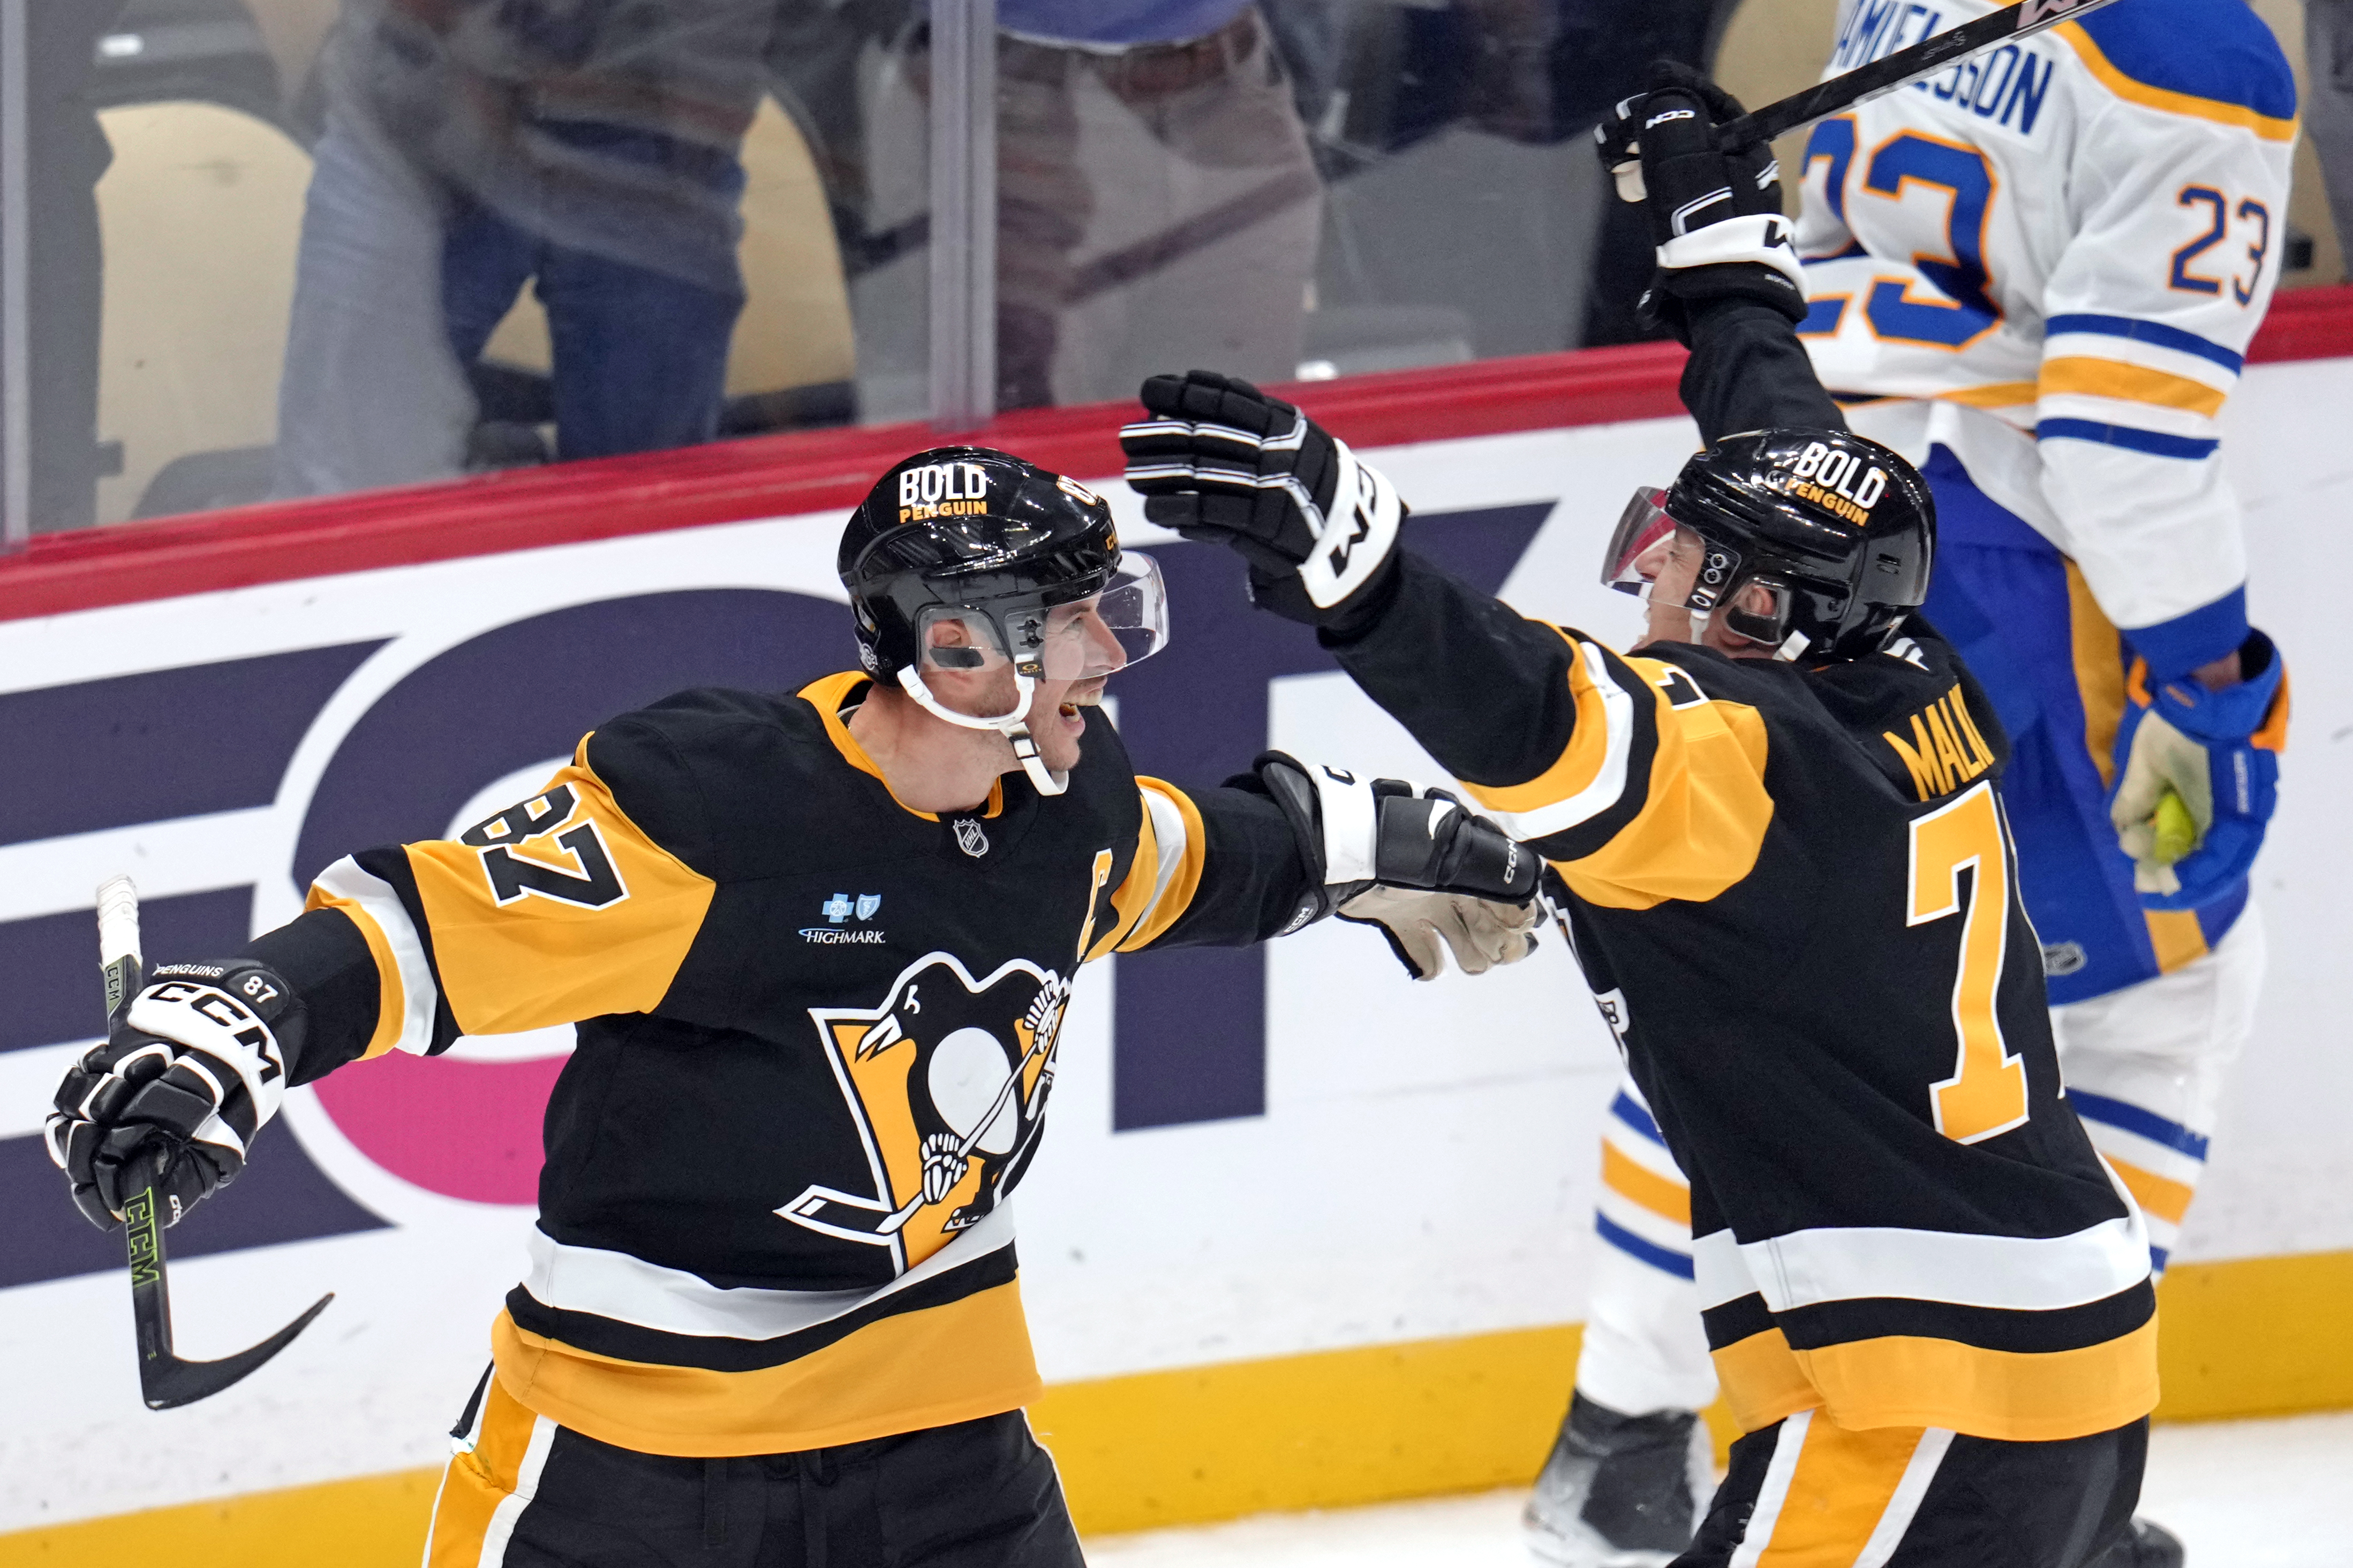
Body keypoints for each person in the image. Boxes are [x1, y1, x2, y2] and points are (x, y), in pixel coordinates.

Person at [43, 445, 1541, 1564]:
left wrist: (1348, 851)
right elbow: (429, 925)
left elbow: (1184, 861)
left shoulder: (1066, 805)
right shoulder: (713, 808)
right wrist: (234, 1022)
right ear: (954, 646)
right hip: (640, 1472)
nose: (1106, 652)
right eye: (1069, 621)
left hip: (946, 1452)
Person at [1123, 64, 2166, 1567]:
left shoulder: (1732, 754)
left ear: (1751, 608)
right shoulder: (1897, 660)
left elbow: (1535, 711)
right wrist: (1726, 279)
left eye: (1680, 559)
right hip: (2033, 1352)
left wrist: (1359, 573)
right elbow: (1812, 469)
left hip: (1918, 1395)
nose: (1650, 576)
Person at [1514, 2, 2299, 1561]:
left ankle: (1619, 1426)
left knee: (1762, 993)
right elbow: (2120, 439)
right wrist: (2205, 684)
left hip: (1804, 511)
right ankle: (2049, 1468)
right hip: (2007, 590)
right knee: (2151, 999)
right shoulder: (2198, 48)